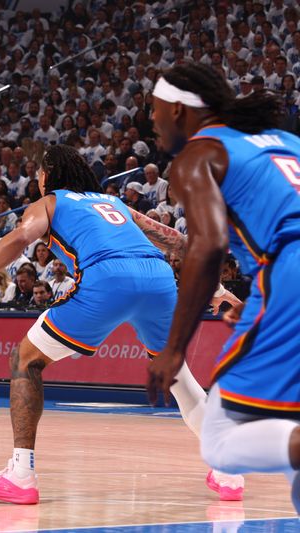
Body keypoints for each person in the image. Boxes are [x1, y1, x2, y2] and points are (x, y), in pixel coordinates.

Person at [0, 145, 240, 505]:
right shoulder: (114, 204)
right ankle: (228, 469)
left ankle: (21, 475)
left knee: (26, 360)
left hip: (107, 278)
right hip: (159, 278)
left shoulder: (50, 203)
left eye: (40, 173)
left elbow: (20, 238)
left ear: (48, 175)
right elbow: (176, 240)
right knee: (180, 378)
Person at [146, 63, 300, 512]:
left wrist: (173, 349)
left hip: (290, 271)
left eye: (154, 111)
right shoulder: (287, 142)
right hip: (282, 283)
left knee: (220, 440)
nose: (151, 122)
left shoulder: (197, 155)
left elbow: (208, 246)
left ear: (177, 110)